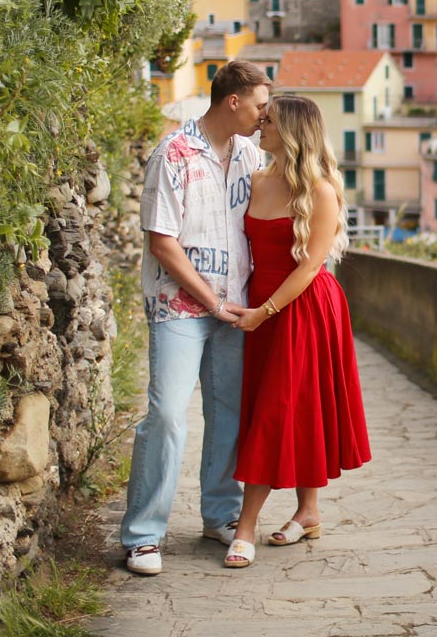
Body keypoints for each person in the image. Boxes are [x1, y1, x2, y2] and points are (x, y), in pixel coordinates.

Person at [119, 61, 271, 576]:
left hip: (237, 307)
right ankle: (143, 536)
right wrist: (211, 301)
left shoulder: (251, 155)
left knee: (228, 414)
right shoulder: (173, 153)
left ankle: (220, 515)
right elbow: (162, 242)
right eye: (259, 105)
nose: (264, 114)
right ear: (233, 100)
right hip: (179, 306)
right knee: (166, 415)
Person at [222, 94, 371, 569]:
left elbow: (309, 267)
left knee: (276, 410)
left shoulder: (321, 191)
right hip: (263, 306)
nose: (259, 126)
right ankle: (308, 513)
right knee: (297, 406)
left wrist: (262, 312)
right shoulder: (255, 179)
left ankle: (245, 528)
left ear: (291, 132)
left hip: (303, 307)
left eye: (267, 121)